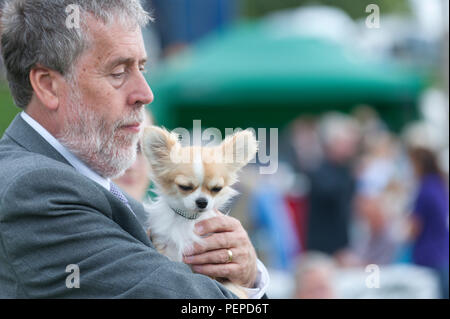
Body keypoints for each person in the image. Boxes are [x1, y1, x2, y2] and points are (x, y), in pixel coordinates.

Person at [0, 0, 268, 298]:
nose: (146, 93)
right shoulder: (34, 189)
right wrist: (244, 289)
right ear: (49, 86)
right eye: (118, 72)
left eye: (142, 67)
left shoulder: (80, 181)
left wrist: (246, 272)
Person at [408, 146, 449, 299]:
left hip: (428, 254)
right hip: (442, 249)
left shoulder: (425, 189)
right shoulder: (439, 184)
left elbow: (415, 227)